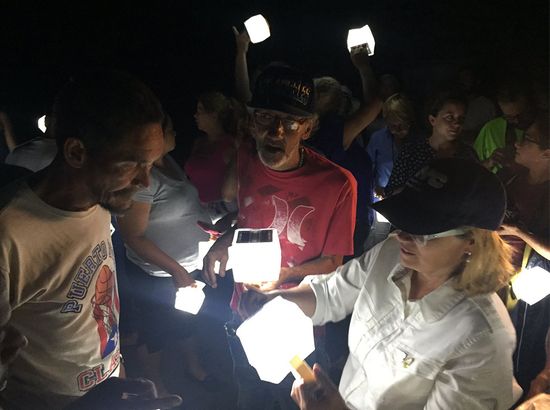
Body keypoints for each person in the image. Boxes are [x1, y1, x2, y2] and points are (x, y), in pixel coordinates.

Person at [241, 158, 520, 409]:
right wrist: (277, 299)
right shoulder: (390, 256)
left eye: (421, 231)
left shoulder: (482, 338)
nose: (402, 237)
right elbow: (329, 294)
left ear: (471, 241)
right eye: (400, 223)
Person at [0, 70, 166, 409]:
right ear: (76, 152)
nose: (145, 181)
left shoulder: (101, 201)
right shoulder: (9, 235)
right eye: (131, 164)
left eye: (150, 164)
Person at [203, 64, 357, 409]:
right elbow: (246, 219)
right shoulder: (245, 157)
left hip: (298, 328)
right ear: (251, 121)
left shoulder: (337, 183)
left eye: (289, 122)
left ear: (308, 128)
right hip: (242, 316)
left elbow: (333, 263)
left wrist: (282, 278)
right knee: (249, 398)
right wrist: (226, 240)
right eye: (265, 118)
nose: (276, 131)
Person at [117, 114, 214, 394]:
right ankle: (154, 384)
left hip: (185, 268)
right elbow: (132, 236)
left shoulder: (168, 162)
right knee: (155, 331)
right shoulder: (143, 178)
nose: (175, 134)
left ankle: (193, 366)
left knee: (185, 320)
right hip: (157, 274)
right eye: (169, 130)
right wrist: (177, 271)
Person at [497, 112, 550, 401]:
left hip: (531, 294)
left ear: (547, 153)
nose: (518, 144)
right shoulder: (512, 177)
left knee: (522, 356)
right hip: (495, 277)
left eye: (528, 140)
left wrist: (520, 231)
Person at [385, 89, 476, 195]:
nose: (457, 124)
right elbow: (390, 192)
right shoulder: (412, 152)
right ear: (433, 120)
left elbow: (475, 195)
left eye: (461, 119)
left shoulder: (467, 155)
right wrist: (416, 186)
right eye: (449, 117)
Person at [184, 92, 244, 217]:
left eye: (200, 111)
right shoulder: (198, 143)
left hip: (220, 212)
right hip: (192, 207)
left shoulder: (231, 146)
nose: (196, 115)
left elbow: (232, 193)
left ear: (214, 115)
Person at [474, 79, 537, 173]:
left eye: (521, 115)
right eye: (509, 117)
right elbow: (473, 167)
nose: (516, 121)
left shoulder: (542, 130)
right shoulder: (491, 128)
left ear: (530, 106)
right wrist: (489, 162)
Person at [366, 93, 416, 198]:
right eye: (393, 125)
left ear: (410, 119)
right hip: (382, 198)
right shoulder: (378, 138)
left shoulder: (420, 142)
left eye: (402, 124)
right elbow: (367, 168)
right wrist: (375, 188)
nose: (397, 130)